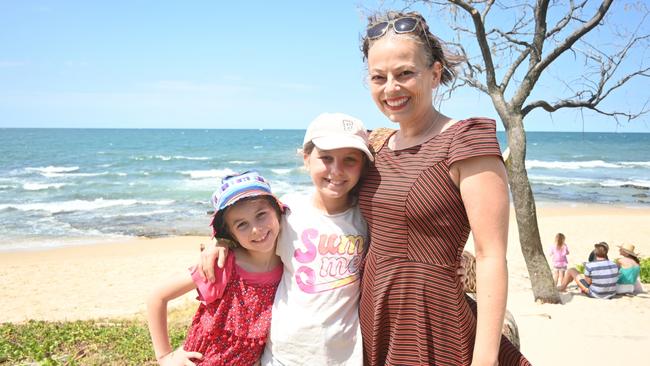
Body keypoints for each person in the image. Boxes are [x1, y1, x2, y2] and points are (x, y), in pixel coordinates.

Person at [358, 10, 529, 365]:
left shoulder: (466, 141)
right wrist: (224, 241)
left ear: (435, 74)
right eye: (379, 77)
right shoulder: (374, 144)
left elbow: (491, 255)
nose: (391, 88)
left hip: (432, 322)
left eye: (405, 73)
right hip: (373, 314)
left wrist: (485, 357)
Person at [200, 112, 373, 365]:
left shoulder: (367, 217)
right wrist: (220, 242)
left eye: (350, 160)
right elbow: (250, 226)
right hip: (285, 352)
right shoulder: (287, 211)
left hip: (344, 356)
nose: (336, 170)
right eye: (325, 158)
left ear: (363, 166)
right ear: (306, 159)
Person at [147, 171, 286, 365]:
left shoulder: (288, 260)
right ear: (229, 233)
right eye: (242, 224)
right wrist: (165, 356)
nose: (256, 229)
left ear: (278, 211)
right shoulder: (222, 265)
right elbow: (158, 296)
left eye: (261, 215)